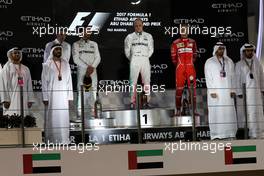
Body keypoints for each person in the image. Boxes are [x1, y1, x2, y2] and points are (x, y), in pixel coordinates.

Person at [204, 42, 237, 140]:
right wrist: (212, 91)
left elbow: (233, 77)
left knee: (228, 111)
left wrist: (233, 90)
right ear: (215, 49)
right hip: (216, 93)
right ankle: (217, 133)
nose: (221, 50)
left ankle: (230, 132)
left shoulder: (229, 61)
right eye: (219, 49)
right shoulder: (209, 62)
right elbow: (208, 77)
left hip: (227, 92)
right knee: (217, 112)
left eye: (222, 49)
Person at [42, 44, 73, 144]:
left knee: (63, 117)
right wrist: (45, 97)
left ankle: (64, 140)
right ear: (52, 51)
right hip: (52, 97)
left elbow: (69, 81)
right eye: (57, 49)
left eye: (60, 49)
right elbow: (44, 82)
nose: (59, 51)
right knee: (52, 118)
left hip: (63, 97)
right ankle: (51, 140)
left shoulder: (66, 64)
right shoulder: (47, 65)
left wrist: (69, 97)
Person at [235, 43, 264, 139]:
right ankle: (250, 133)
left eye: (251, 50)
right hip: (245, 93)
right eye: (247, 51)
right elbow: (237, 78)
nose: (250, 52)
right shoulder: (239, 64)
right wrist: (239, 92)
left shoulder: (257, 63)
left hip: (256, 93)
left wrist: (262, 88)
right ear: (244, 52)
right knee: (248, 113)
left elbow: (261, 76)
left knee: (258, 112)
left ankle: (259, 133)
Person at [124, 18, 154, 109]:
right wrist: (133, 58)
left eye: (139, 25)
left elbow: (151, 50)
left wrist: (144, 56)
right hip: (134, 60)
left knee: (147, 81)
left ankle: (147, 101)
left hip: (145, 59)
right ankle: (132, 102)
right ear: (134, 26)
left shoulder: (148, 36)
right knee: (133, 82)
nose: (138, 27)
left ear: (142, 25)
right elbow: (127, 51)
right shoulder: (129, 37)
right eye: (136, 25)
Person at [72, 28, 101, 117]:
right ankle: (80, 115)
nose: (86, 33)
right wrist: (87, 67)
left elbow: (98, 57)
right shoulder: (76, 44)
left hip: (93, 70)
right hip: (82, 71)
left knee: (93, 90)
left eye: (88, 32)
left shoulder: (94, 44)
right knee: (82, 92)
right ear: (81, 33)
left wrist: (92, 67)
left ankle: (95, 113)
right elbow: (75, 59)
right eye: (84, 32)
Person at [170, 23, 198, 116]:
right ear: (179, 30)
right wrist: (179, 65)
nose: (183, 31)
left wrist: (190, 64)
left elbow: (195, 55)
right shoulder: (175, 43)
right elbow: (173, 58)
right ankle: (178, 110)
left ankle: (194, 110)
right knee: (179, 90)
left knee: (192, 90)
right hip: (180, 68)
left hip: (190, 68)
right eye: (182, 29)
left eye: (185, 29)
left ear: (188, 30)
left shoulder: (193, 42)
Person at [0, 47, 34, 116]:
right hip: (11, 97)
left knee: (23, 117)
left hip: (24, 97)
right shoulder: (7, 67)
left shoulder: (26, 68)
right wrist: (5, 99)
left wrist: (30, 99)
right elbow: (3, 84)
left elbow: (29, 84)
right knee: (11, 117)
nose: (17, 54)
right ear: (10, 55)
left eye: (18, 53)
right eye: (15, 53)